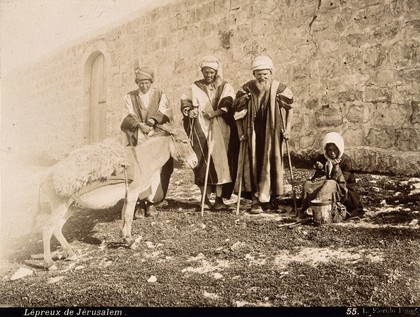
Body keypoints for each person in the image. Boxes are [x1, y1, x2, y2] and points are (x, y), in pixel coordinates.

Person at [233, 55, 294, 214]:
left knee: (272, 164)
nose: (262, 77)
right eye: (259, 74)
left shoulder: (280, 89)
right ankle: (255, 201)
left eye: (265, 74)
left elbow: (290, 109)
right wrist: (240, 132)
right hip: (252, 134)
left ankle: (270, 199)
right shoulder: (246, 89)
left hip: (272, 134)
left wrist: (287, 129)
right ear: (254, 74)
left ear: (271, 73)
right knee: (254, 165)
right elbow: (237, 112)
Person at [180, 56, 238, 210]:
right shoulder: (195, 87)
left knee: (221, 163)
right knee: (202, 162)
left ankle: (219, 200)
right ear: (202, 72)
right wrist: (190, 111)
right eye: (206, 72)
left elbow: (229, 103)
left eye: (211, 72)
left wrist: (215, 113)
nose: (208, 75)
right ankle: (204, 199)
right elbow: (185, 101)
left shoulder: (225, 86)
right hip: (200, 129)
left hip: (220, 128)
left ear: (216, 72)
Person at [120, 66, 173, 218]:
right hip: (138, 137)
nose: (144, 86)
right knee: (139, 170)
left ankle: (151, 202)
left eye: (147, 83)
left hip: (154, 136)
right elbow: (126, 115)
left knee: (155, 170)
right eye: (141, 83)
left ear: (151, 82)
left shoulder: (160, 95)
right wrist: (138, 124)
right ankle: (140, 202)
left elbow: (165, 112)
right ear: (137, 83)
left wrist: (152, 121)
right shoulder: (129, 97)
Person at [299, 131, 364, 220]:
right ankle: (306, 207)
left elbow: (342, 182)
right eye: (330, 150)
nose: (332, 152)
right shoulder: (323, 158)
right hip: (326, 189)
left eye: (335, 149)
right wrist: (320, 170)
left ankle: (315, 208)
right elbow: (318, 179)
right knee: (308, 184)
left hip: (345, 194)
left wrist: (336, 168)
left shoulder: (346, 161)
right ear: (326, 150)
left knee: (330, 183)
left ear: (339, 149)